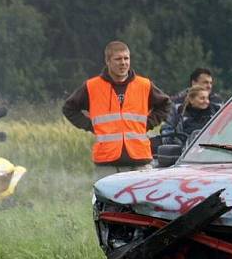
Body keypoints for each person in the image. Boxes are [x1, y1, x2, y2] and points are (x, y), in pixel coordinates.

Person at [63, 41, 171, 180]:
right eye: (118, 59)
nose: (123, 63)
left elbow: (165, 104)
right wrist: (91, 126)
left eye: (126, 58)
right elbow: (69, 108)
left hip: (139, 159)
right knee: (108, 201)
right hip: (107, 162)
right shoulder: (92, 86)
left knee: (142, 201)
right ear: (107, 61)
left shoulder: (144, 85)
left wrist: (147, 123)